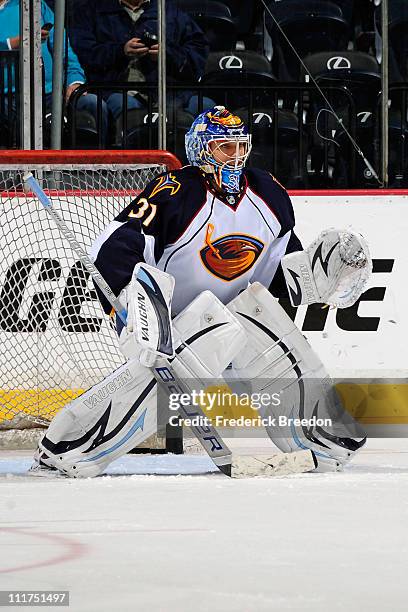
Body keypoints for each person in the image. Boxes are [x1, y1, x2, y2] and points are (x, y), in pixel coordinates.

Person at [32, 107, 371, 478]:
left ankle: (317, 438)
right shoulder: (177, 191)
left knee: (279, 346)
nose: (237, 156)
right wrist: (132, 301)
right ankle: (69, 447)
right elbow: (111, 248)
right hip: (171, 321)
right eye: (226, 147)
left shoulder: (269, 192)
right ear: (202, 150)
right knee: (203, 340)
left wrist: (315, 276)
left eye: (242, 147)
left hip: (239, 313)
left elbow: (280, 270)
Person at [68, 0, 214, 131]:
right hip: (114, 90)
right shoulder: (92, 10)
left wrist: (168, 53)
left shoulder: (170, 11)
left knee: (205, 105)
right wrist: (120, 51)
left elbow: (198, 52)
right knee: (126, 108)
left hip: (168, 91)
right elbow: (83, 53)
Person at [0, 0, 104, 145]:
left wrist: (74, 82)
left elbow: (64, 50)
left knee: (91, 103)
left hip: (50, 95)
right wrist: (12, 44)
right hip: (6, 100)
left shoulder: (36, 5)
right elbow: (15, 42)